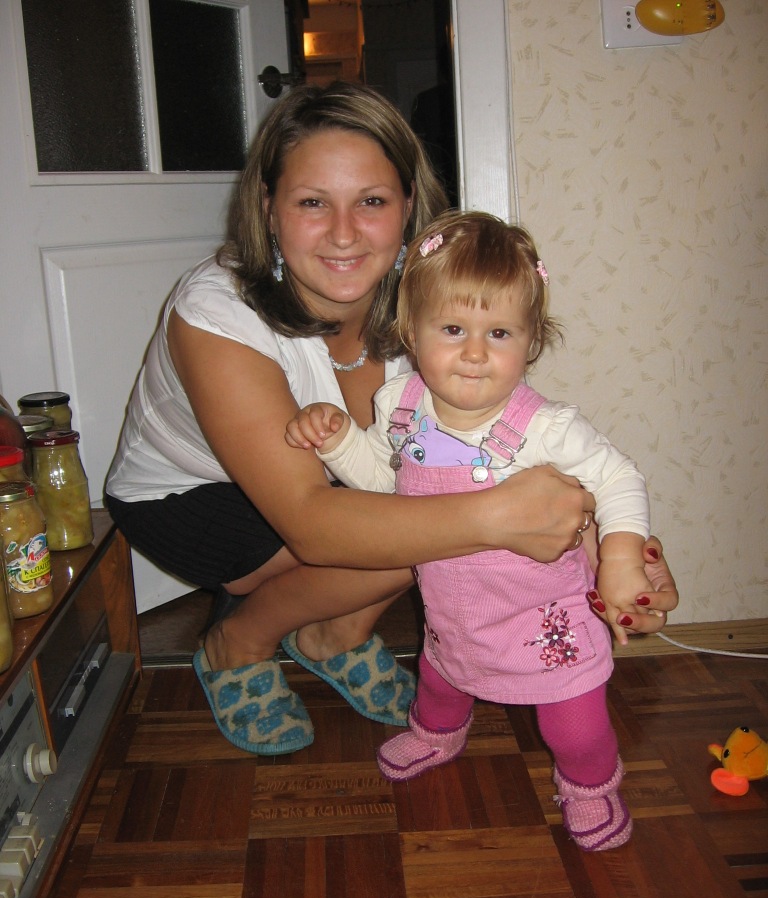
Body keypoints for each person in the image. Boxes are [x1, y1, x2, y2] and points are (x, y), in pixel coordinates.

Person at [105, 82, 677, 762]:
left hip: (338, 477)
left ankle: (334, 634)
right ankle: (238, 641)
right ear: (267, 208)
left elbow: (507, 442)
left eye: (371, 201)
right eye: (312, 202)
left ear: (407, 206)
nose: (344, 233)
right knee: (437, 529)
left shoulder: (432, 296)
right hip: (189, 498)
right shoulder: (216, 312)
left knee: (444, 502)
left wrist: (615, 549)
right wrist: (498, 518)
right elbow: (314, 523)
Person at [285, 211, 665, 850]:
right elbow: (383, 481)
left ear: (531, 341)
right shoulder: (399, 405)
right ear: (412, 330)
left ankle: (590, 785)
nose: (475, 352)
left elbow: (618, 477)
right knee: (440, 679)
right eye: (454, 329)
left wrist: (622, 557)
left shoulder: (546, 427)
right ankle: (436, 733)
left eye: (500, 333)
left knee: (574, 727)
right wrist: (339, 440)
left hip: (546, 621)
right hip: (453, 610)